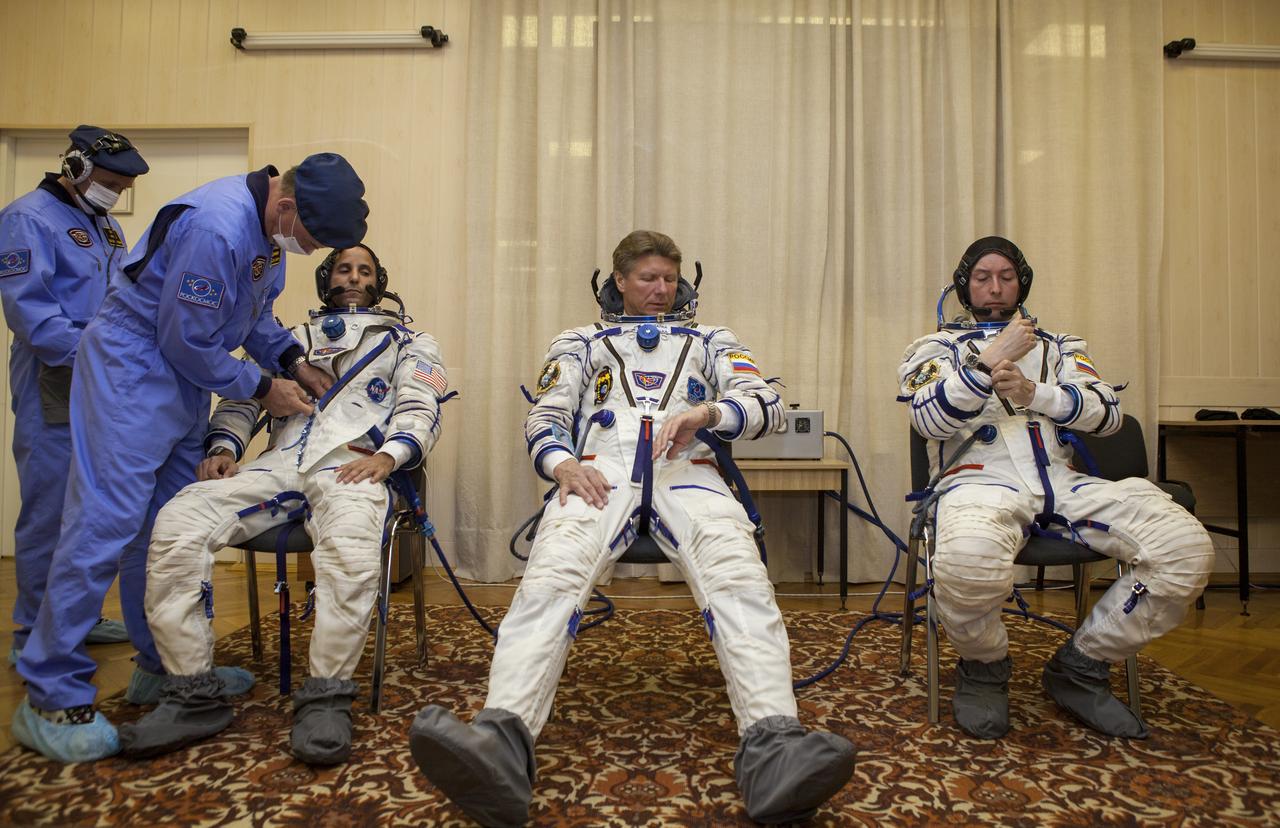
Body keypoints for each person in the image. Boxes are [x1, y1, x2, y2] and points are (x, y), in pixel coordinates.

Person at [409, 230, 855, 825]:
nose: (660, 290)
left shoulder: (712, 340)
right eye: (647, 278)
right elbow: (545, 413)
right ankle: (499, 741)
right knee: (549, 578)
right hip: (598, 470)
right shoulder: (579, 341)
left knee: (740, 579)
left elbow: (765, 402)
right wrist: (560, 463)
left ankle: (775, 747)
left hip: (688, 468)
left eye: (669, 279)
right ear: (619, 280)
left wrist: (709, 414)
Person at [12, 153, 369, 763]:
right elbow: (186, 337)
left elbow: (252, 315)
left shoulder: (267, 233)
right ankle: (49, 690)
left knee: (166, 528)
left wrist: (294, 362)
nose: (309, 253)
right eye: (311, 242)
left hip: (181, 381)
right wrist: (263, 388)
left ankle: (162, 666)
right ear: (287, 208)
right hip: (134, 371)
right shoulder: (217, 226)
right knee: (104, 525)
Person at [116, 244, 448, 764]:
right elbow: (244, 396)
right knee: (179, 517)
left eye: (364, 270)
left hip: (353, 463)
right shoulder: (288, 339)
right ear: (325, 278)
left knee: (351, 551)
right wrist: (224, 447)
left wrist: (389, 457)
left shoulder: (409, 341)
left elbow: (419, 405)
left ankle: (326, 696)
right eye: (343, 268)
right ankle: (192, 693)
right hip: (279, 462)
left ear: (379, 281)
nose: (353, 277)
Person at [898, 236, 1214, 740]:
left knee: (1184, 547)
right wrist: (986, 364)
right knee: (967, 563)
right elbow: (927, 419)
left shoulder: (1061, 348)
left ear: (1023, 282)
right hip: (979, 486)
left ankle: (1082, 665)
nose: (996, 288)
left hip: (1063, 485)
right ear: (964, 286)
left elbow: (1108, 415)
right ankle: (984, 667)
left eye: (1006, 277)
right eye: (983, 278)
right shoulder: (936, 349)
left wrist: (1034, 393)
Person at [0, 126, 146, 665]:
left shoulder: (105, 226)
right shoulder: (28, 218)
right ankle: (31, 633)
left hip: (105, 377)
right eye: (111, 182)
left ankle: (76, 618)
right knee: (50, 508)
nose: (117, 194)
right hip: (55, 373)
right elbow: (31, 316)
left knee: (93, 507)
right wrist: (101, 352)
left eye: (124, 187)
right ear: (77, 167)